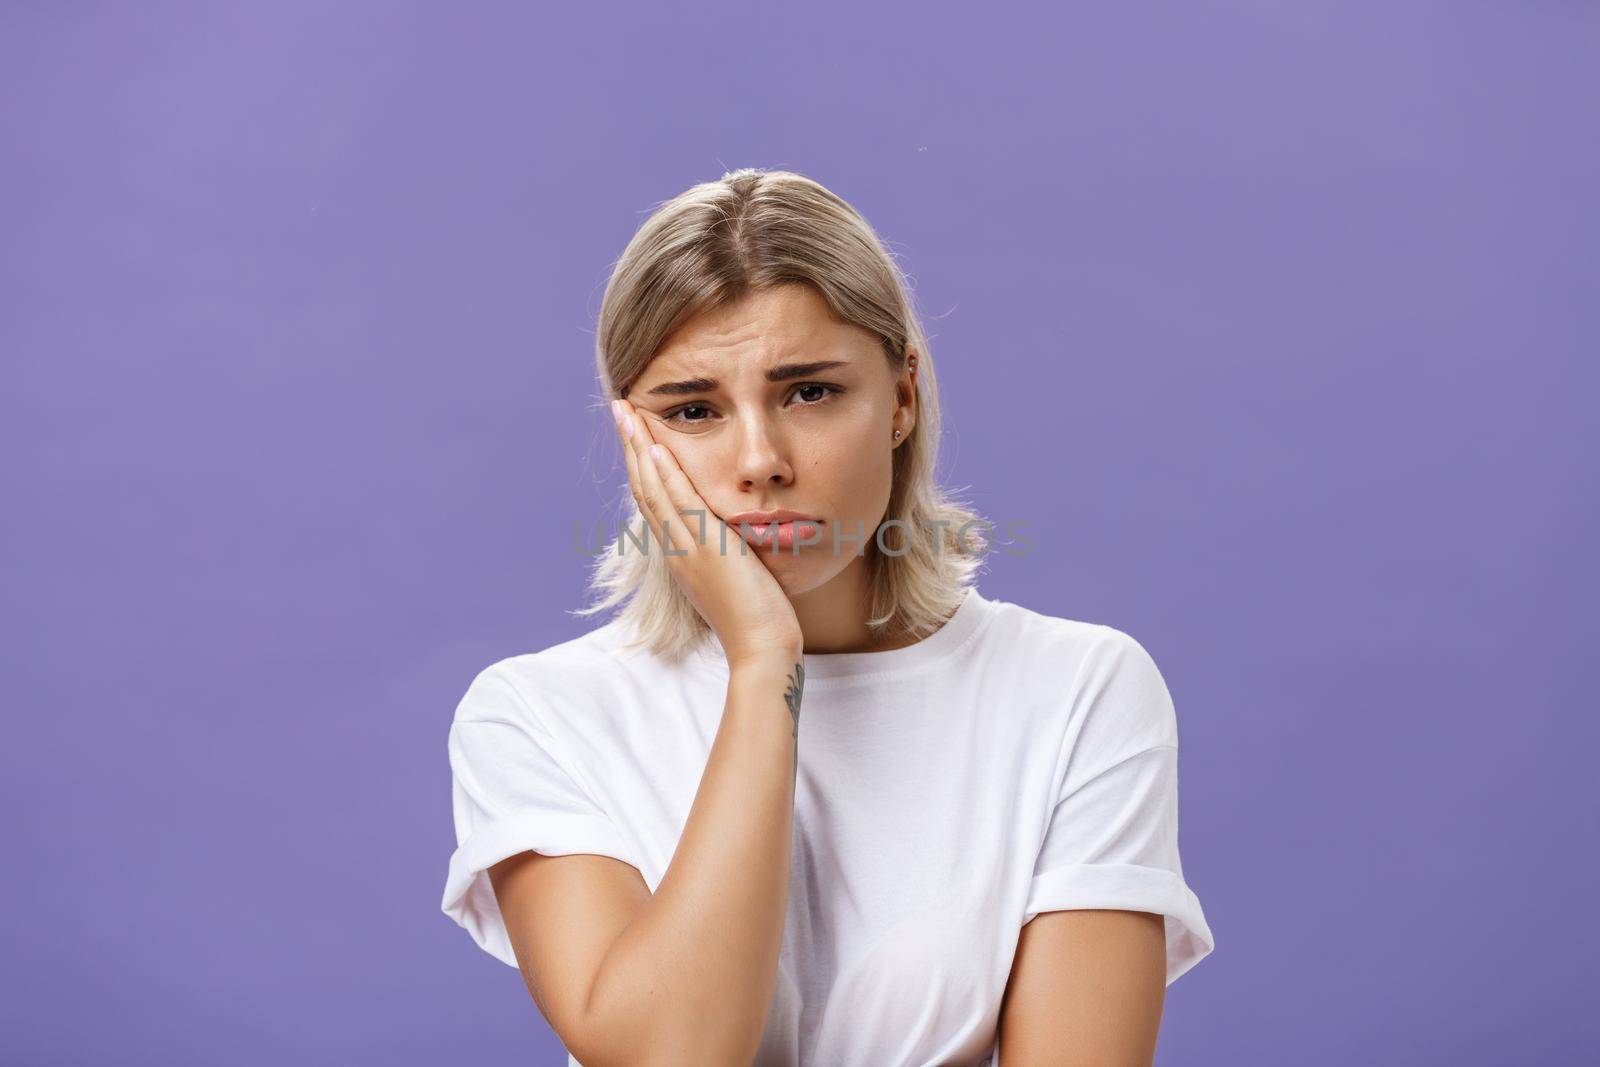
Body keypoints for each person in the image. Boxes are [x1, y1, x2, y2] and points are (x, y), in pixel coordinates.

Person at [440, 168, 1215, 1066]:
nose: (760, 460)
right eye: (694, 410)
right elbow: (666, 1055)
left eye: (808, 391)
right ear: (633, 439)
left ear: (901, 397)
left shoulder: (1076, 690)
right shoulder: (539, 715)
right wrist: (765, 661)